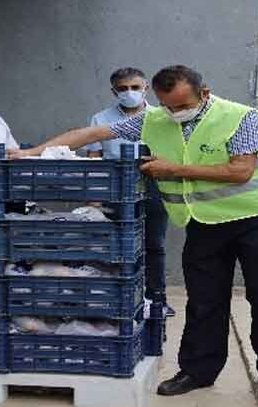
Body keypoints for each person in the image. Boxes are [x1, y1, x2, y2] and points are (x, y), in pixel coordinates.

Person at [9, 65, 258, 397]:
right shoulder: (152, 119)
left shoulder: (242, 117)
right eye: (167, 105)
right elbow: (92, 134)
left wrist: (172, 169)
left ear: (204, 93)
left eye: (181, 105)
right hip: (204, 223)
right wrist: (34, 152)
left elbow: (241, 171)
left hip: (257, 219)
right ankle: (197, 371)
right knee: (204, 301)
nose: (174, 113)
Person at [85, 67, 175, 317]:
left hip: (154, 187)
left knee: (154, 244)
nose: (130, 93)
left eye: (135, 87)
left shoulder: (163, 118)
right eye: (123, 89)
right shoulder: (101, 119)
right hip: (115, 188)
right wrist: (94, 198)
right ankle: (118, 299)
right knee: (118, 245)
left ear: (146, 88)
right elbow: (94, 157)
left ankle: (157, 299)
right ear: (114, 91)